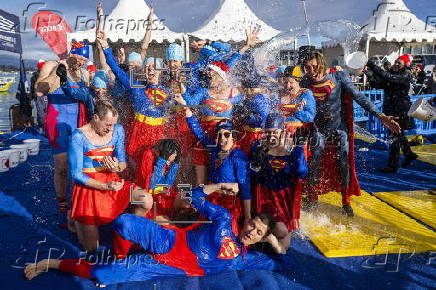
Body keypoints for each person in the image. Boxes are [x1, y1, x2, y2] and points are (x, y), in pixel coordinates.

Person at [24, 184, 292, 286]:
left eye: (257, 232)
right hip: (170, 239)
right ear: (246, 221)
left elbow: (284, 262)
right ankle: (121, 253)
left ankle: (49, 263)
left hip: (168, 266)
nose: (251, 231)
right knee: (125, 223)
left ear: (259, 239)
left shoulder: (246, 258)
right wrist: (217, 187)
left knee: (102, 275)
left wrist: (273, 242)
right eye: (252, 224)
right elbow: (192, 195)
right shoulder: (224, 220)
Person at [301, 51, 401, 216]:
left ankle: (345, 201)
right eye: (307, 67)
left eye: (313, 66)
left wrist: (381, 116)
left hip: (339, 128)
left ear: (321, 64)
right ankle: (312, 199)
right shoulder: (305, 81)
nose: (310, 70)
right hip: (318, 129)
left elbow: (360, 97)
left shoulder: (338, 77)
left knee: (343, 163)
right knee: (313, 162)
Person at [68, 101, 151, 251]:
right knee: (91, 250)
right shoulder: (78, 136)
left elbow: (122, 163)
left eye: (113, 124)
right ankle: (75, 217)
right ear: (95, 118)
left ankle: (127, 229)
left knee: (146, 200)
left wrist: (116, 167)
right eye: (107, 124)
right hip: (88, 188)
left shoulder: (117, 130)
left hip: (112, 181)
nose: (110, 129)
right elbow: (76, 174)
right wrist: (104, 186)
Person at [34, 42, 92, 227]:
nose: (82, 61)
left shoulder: (83, 73)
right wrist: (60, 71)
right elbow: (39, 90)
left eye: (85, 58)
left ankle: (75, 207)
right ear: (71, 53)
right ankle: (62, 204)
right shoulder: (52, 65)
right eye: (80, 57)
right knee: (61, 166)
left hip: (78, 121)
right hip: (57, 119)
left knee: (78, 165)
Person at [176, 93, 251, 235]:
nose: (222, 138)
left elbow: (245, 189)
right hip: (211, 199)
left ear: (234, 137)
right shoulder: (215, 149)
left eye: (227, 135)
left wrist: (247, 217)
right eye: (220, 135)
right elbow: (199, 133)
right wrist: (185, 107)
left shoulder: (238, 157)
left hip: (228, 205)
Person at [97, 31, 172, 159]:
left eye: (154, 67)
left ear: (161, 71)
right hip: (137, 134)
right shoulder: (137, 88)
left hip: (157, 135)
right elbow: (116, 69)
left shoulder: (168, 93)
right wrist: (105, 47)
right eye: (147, 67)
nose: (150, 69)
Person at [250, 113, 308, 252]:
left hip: (283, 199)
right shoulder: (258, 148)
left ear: (283, 132)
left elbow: (302, 173)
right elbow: (250, 175)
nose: (271, 136)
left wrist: (300, 151)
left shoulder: (293, 150)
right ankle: (265, 236)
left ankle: (268, 237)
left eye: (274, 132)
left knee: (282, 236)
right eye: (268, 132)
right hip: (263, 196)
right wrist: (255, 163)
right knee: (264, 233)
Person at [367, 54, 418, 173]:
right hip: (391, 108)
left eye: (398, 63)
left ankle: (393, 165)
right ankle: (408, 154)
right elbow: (378, 84)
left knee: (394, 136)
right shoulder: (393, 73)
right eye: (395, 62)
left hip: (400, 109)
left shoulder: (406, 75)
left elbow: (389, 78)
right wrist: (368, 74)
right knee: (397, 134)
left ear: (405, 65)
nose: (395, 64)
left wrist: (374, 67)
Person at [274, 65, 316, 136]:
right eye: (285, 82)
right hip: (279, 134)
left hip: (298, 135)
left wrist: (298, 111)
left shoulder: (305, 94)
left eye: (291, 82)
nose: (288, 86)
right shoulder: (278, 94)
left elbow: (310, 118)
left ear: (298, 81)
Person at [235, 76, 270, 155]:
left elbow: (262, 120)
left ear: (248, 88)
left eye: (242, 87)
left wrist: (245, 115)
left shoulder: (258, 99)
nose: (241, 89)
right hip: (247, 133)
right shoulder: (249, 97)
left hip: (254, 135)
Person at [31, 60, 46, 129]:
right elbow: (32, 88)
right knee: (41, 113)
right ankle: (41, 126)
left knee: (46, 113)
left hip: (47, 96)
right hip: (39, 97)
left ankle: (44, 126)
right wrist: (32, 97)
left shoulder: (49, 75)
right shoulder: (34, 77)